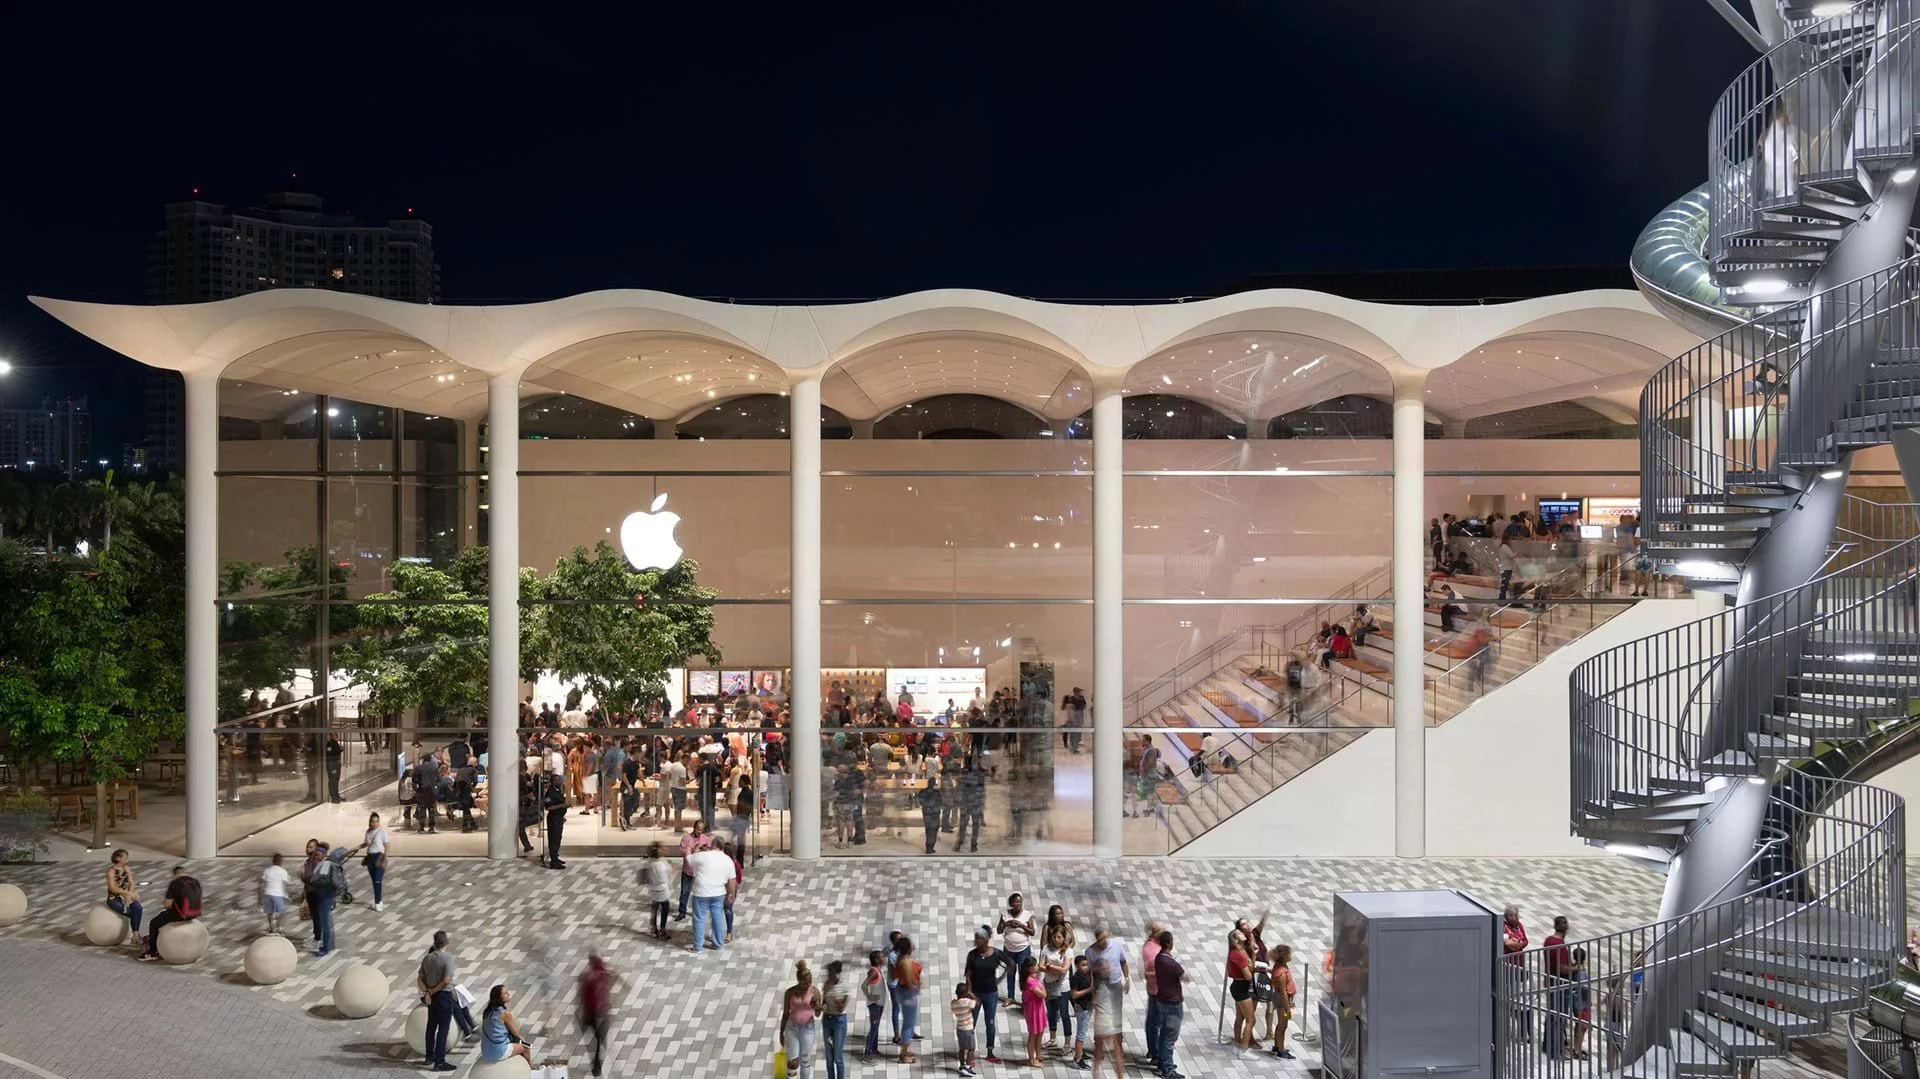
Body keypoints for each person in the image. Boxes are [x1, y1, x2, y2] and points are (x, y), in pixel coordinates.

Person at [1084, 926, 1128, 1079]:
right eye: (1100, 939)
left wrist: (1126, 979)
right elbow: (1087, 972)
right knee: (1100, 1047)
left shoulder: (1116, 946)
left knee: (1116, 1047)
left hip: (1115, 991)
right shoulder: (1090, 952)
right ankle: (1097, 1073)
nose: (1103, 941)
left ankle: (1119, 1075)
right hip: (1103, 1013)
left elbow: (1123, 961)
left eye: (1105, 937)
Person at [965, 927, 1012, 1063]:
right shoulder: (972, 955)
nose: (976, 941)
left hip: (991, 993)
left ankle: (990, 1052)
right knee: (971, 1023)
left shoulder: (996, 953)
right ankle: (970, 1051)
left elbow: (1010, 964)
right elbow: (968, 975)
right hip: (976, 994)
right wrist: (969, 992)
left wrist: (1001, 977)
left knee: (990, 1023)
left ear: (986, 939)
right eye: (976, 938)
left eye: (979, 938)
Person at [418, 930, 462, 1072]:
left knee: (431, 1027)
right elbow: (446, 981)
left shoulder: (427, 958)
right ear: (446, 943)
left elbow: (420, 979)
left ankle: (429, 1057)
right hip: (443, 997)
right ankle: (440, 1061)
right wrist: (433, 991)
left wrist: (427, 992)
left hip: (432, 998)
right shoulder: (447, 958)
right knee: (443, 1029)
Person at [140, 865, 201, 962]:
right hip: (195, 913)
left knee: (154, 923)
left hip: (181, 914)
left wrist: (167, 905)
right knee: (163, 915)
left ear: (174, 874)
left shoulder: (175, 883)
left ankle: (153, 953)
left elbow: (167, 903)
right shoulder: (195, 881)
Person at [686, 836, 734, 955]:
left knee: (699, 918)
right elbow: (732, 880)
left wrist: (689, 849)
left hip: (701, 892)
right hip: (719, 893)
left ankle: (698, 946)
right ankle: (718, 943)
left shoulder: (703, 855)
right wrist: (730, 894)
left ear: (713, 844)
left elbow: (689, 860)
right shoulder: (727, 860)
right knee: (717, 918)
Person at [778, 960, 823, 1079]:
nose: (808, 985)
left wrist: (817, 1007)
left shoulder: (815, 992)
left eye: (810, 982)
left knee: (805, 1060)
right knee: (792, 1061)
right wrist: (781, 1033)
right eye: (805, 983)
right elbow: (786, 1013)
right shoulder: (790, 992)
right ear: (799, 981)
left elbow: (817, 1014)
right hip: (792, 1028)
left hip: (808, 1029)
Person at [1153, 930, 1187, 1079]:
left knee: (1163, 1033)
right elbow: (1184, 975)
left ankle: (1162, 1062)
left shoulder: (1158, 958)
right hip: (1173, 1003)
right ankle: (1168, 1069)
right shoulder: (1171, 963)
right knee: (1170, 1037)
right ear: (1169, 943)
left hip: (1161, 1000)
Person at [579, 951, 618, 1077]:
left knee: (598, 1040)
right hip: (600, 1014)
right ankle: (597, 1064)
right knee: (601, 1040)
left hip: (591, 1014)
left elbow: (581, 995)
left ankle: (596, 1063)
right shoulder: (601, 972)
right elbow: (616, 977)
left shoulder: (588, 976)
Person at [478, 984, 533, 1066]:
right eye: (505, 993)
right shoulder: (504, 1013)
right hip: (498, 1051)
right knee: (525, 1048)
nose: (508, 994)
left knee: (518, 1042)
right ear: (499, 997)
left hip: (486, 1051)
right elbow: (516, 1032)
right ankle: (529, 1069)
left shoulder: (487, 1012)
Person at [999, 892, 1036, 1004]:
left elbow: (1032, 932)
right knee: (1010, 973)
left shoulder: (1027, 914)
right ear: (1011, 903)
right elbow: (999, 930)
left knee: (1024, 973)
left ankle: (1025, 998)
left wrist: (1021, 925)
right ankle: (1010, 997)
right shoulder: (1005, 914)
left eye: (1020, 902)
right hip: (1009, 950)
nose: (1018, 904)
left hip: (1023, 950)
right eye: (1015, 902)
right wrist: (1006, 924)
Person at [1042, 924, 1073, 1053]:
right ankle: (1052, 1038)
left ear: (1064, 938)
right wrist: (1054, 969)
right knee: (1051, 1012)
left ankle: (1067, 1044)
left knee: (1064, 1013)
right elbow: (1041, 966)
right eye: (1054, 936)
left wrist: (1050, 967)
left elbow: (1064, 969)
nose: (1056, 939)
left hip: (1062, 987)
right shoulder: (1046, 948)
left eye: (1059, 937)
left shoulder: (1068, 951)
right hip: (1049, 984)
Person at [892, 935, 922, 1065]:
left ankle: (905, 1050)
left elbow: (894, 975)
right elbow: (909, 981)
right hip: (908, 993)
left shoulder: (900, 959)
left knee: (908, 1022)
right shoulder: (906, 962)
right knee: (908, 1024)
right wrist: (914, 990)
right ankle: (903, 1055)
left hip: (902, 990)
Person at [105, 849, 143, 944]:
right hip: (115, 899)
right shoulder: (111, 871)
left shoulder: (127, 869)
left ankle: (135, 934)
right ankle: (136, 935)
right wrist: (126, 893)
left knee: (138, 908)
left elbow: (131, 882)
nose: (127, 860)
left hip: (127, 897)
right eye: (125, 858)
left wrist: (131, 893)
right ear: (118, 858)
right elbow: (113, 888)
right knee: (132, 913)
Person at [821, 959, 851, 1079]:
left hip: (839, 1021)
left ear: (838, 973)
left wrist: (835, 998)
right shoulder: (826, 985)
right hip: (827, 1020)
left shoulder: (845, 986)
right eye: (829, 974)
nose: (830, 977)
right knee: (829, 1056)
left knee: (838, 1057)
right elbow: (824, 1001)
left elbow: (841, 1008)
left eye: (832, 974)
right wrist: (822, 1005)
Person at [676, 819, 712, 919]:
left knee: (700, 893)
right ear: (694, 828)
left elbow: (710, 852)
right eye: (698, 829)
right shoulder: (686, 838)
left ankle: (699, 911)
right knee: (684, 892)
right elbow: (681, 852)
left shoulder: (705, 839)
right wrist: (692, 849)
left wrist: (705, 849)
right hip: (688, 870)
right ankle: (682, 912)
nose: (699, 831)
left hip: (701, 872)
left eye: (701, 830)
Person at [1227, 930, 1256, 1050]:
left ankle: (1237, 1041)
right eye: (1239, 933)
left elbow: (1251, 967)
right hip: (1241, 988)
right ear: (1235, 939)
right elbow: (1248, 976)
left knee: (1240, 1017)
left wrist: (1254, 954)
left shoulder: (1242, 951)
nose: (1243, 934)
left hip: (1238, 986)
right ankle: (1244, 1049)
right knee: (1251, 1020)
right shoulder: (1238, 954)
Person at [1141, 919, 1164, 1067]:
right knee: (1155, 1022)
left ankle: (1152, 1049)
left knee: (1153, 1020)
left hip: (1157, 988)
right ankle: (1155, 1053)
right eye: (1160, 931)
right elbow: (1147, 973)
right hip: (1156, 990)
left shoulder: (1156, 945)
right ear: (1153, 933)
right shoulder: (1151, 950)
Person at [640, 843, 672, 940]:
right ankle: (662, 928)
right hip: (662, 890)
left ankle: (653, 928)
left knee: (654, 908)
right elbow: (667, 874)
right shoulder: (663, 865)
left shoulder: (649, 864)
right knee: (665, 908)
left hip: (653, 890)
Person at [1270, 944, 1298, 1059]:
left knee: (1281, 1023)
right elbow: (1283, 993)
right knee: (1283, 1025)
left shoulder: (1279, 966)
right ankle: (1281, 1050)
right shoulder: (1282, 974)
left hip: (1281, 998)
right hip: (1282, 1001)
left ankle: (1277, 1045)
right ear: (1285, 957)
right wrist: (1288, 1007)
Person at [1068, 953, 1094, 1072]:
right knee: (1081, 1034)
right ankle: (1078, 1058)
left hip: (1088, 1006)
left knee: (1083, 1031)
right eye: (1083, 965)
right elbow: (1074, 995)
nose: (1086, 967)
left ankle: (1081, 1052)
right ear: (1077, 966)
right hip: (1082, 1008)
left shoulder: (1088, 974)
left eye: (1087, 965)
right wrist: (1089, 990)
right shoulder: (1075, 978)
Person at [861, 950, 888, 1063]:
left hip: (879, 1004)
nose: (884, 958)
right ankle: (867, 1054)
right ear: (877, 960)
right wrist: (869, 996)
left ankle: (874, 1049)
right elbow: (864, 985)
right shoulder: (874, 972)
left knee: (876, 1027)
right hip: (875, 1005)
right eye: (882, 957)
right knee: (873, 1028)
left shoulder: (877, 970)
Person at [362, 812, 390, 912]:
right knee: (374, 880)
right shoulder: (368, 832)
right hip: (370, 857)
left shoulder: (382, 832)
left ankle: (377, 902)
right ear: (370, 822)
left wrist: (385, 858)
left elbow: (387, 845)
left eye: (377, 821)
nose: (375, 823)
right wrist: (357, 847)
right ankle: (379, 900)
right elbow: (366, 843)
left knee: (378, 880)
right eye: (373, 821)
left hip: (379, 856)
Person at [1022, 956, 1047, 1067]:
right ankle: (1032, 1059)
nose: (1038, 967)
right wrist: (1042, 986)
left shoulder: (1034, 977)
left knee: (1040, 1032)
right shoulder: (1030, 981)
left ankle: (1038, 1054)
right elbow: (1043, 994)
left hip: (1039, 1007)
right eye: (1036, 966)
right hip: (1033, 1010)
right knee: (1033, 1034)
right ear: (1030, 968)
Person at [541, 768, 569, 869]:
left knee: (557, 838)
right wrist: (562, 806)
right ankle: (553, 861)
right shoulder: (550, 793)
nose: (560, 782)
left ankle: (555, 857)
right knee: (553, 839)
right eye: (557, 781)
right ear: (553, 782)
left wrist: (562, 814)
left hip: (559, 818)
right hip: (554, 819)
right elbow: (548, 807)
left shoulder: (558, 791)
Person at [951, 981, 979, 1078]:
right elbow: (977, 1004)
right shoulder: (966, 1002)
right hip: (968, 1029)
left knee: (962, 1049)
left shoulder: (953, 1003)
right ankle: (967, 1067)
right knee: (971, 1049)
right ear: (965, 993)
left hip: (959, 1028)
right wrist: (972, 995)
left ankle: (962, 1065)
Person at [258, 852, 290, 935]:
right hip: (278, 894)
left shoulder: (267, 870)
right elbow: (286, 884)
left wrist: (260, 897)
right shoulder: (283, 871)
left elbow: (261, 882)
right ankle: (279, 929)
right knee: (281, 912)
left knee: (270, 912)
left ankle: (272, 929)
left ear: (273, 861)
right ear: (281, 861)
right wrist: (287, 895)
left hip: (268, 893)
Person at [324, 733, 344, 802]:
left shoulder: (336, 743)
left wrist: (341, 749)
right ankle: (333, 797)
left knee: (336, 781)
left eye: (336, 735)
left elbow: (336, 752)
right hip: (333, 765)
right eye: (334, 735)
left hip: (337, 765)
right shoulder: (330, 744)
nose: (336, 736)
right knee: (332, 781)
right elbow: (329, 757)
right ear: (331, 736)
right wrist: (332, 768)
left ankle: (336, 795)